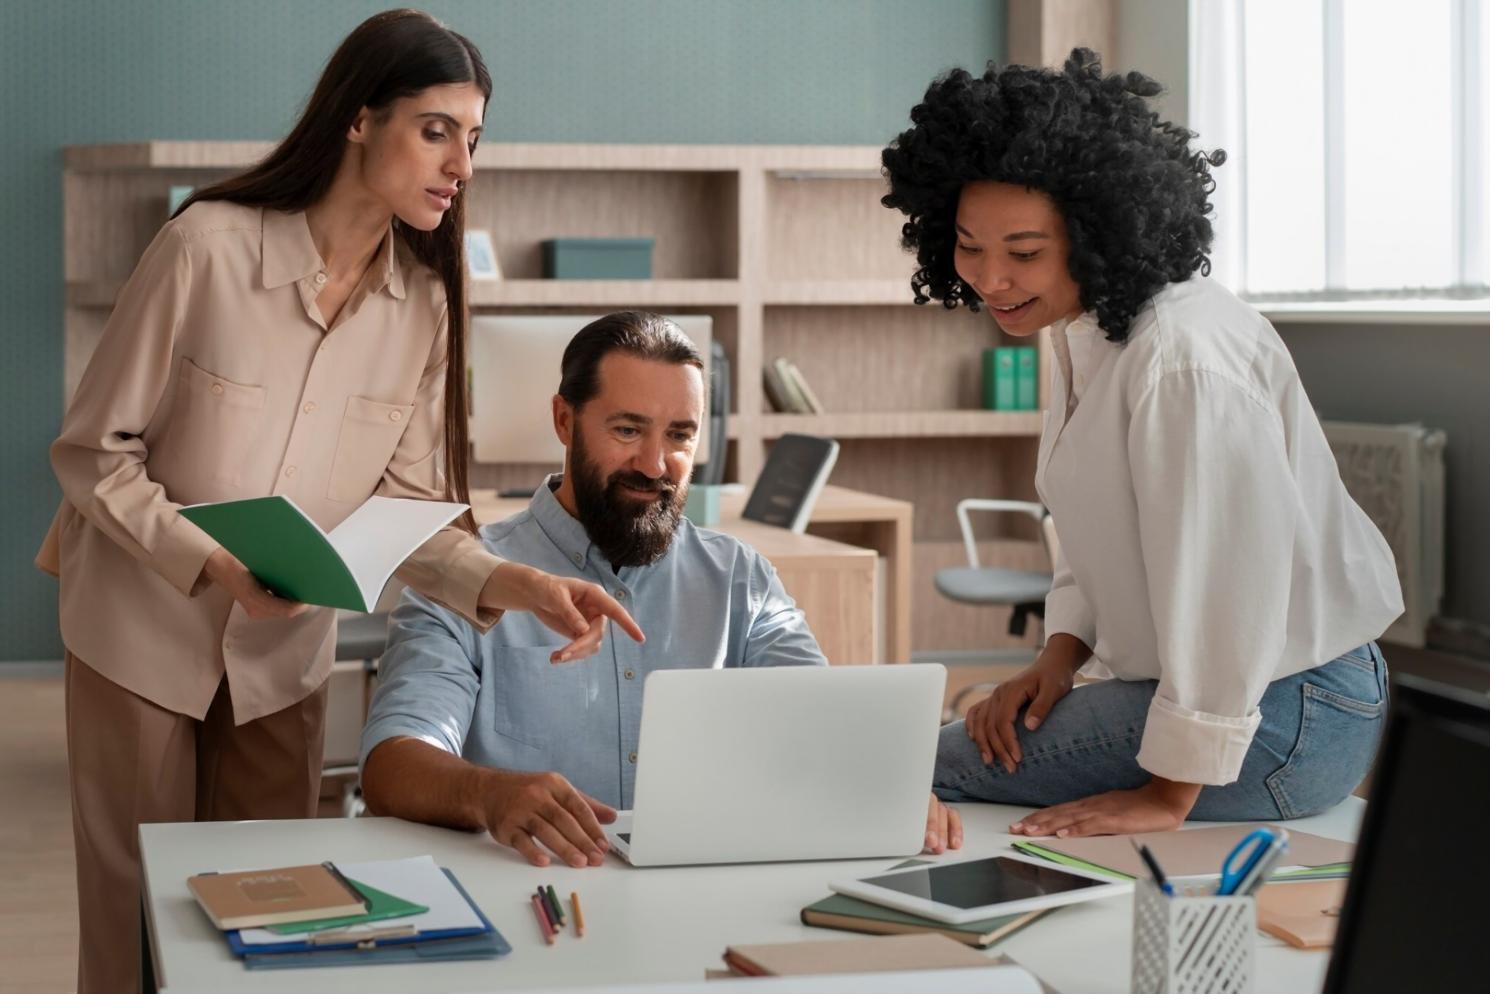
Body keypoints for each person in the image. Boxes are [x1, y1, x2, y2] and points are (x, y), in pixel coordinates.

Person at [36, 12, 640, 993]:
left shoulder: (426, 305)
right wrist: (212, 561)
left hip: (282, 653)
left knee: (272, 918)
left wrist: (520, 583)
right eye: (436, 129)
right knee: (134, 917)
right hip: (141, 628)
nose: (460, 164)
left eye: (474, 140)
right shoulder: (206, 249)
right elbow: (91, 452)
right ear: (359, 120)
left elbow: (403, 513)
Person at [881, 50, 1403, 838]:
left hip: (1290, 712)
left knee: (914, 768)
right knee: (933, 755)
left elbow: (1227, 589)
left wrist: (1167, 796)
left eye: (1024, 253)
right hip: (1252, 695)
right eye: (968, 244)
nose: (990, 279)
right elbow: (1103, 534)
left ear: (1099, 233)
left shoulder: (1181, 358)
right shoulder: (1085, 325)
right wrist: (1059, 652)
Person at [360, 311, 964, 865]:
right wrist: (487, 794)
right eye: (627, 430)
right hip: (537, 885)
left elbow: (821, 723)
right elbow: (391, 765)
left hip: (701, 891)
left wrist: (886, 784)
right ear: (564, 421)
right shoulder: (470, 576)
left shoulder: (739, 579)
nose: (655, 464)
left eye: (680, 435)